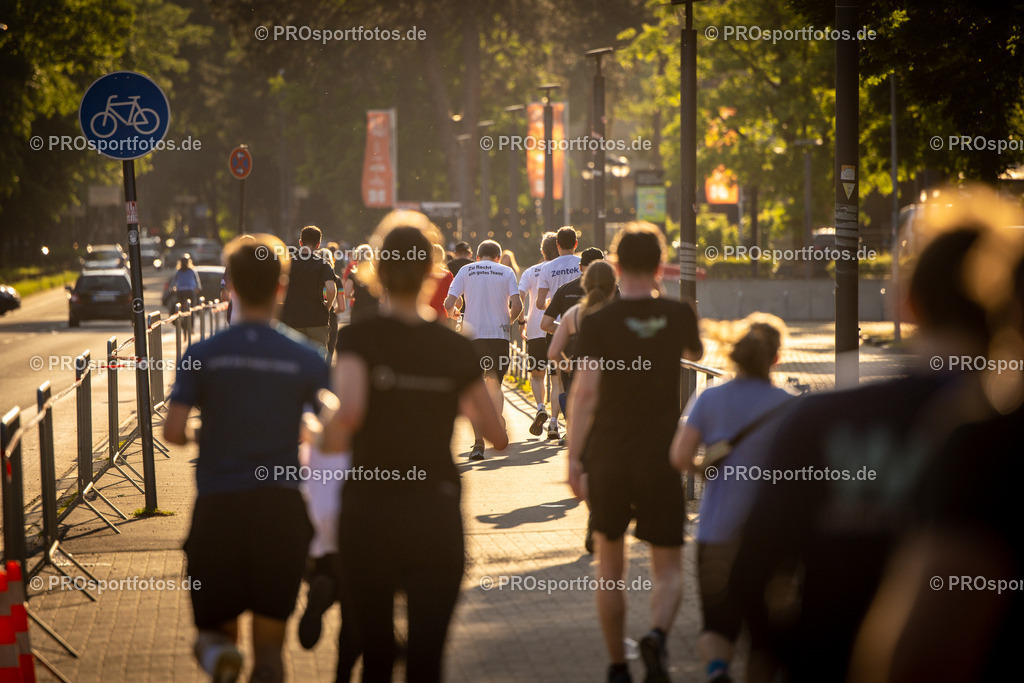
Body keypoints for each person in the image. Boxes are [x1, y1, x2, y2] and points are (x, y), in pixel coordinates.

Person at [729, 186, 1022, 683]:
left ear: (908, 302)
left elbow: (750, 571)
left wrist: (785, 654)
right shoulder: (1002, 434)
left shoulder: (818, 420)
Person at [323, 210, 507, 682]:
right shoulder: (456, 345)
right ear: (433, 272)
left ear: (377, 270)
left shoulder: (357, 338)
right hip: (434, 510)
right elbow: (496, 434)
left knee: (378, 655)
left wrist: (314, 434)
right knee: (428, 660)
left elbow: (347, 417)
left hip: (369, 510)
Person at [163, 234, 327, 683]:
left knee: (214, 637)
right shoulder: (307, 357)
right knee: (272, 656)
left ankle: (221, 660)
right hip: (281, 512)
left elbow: (173, 432)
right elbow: (330, 431)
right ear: (282, 285)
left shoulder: (201, 355)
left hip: (220, 510)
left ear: (230, 284)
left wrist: (213, 431)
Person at [568, 222, 703, 683]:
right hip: (661, 456)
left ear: (617, 263)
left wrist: (573, 458)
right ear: (661, 261)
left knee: (610, 566)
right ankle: (658, 636)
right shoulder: (679, 313)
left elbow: (584, 394)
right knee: (667, 565)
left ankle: (617, 666)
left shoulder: (598, 322)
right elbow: (695, 352)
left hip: (607, 454)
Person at [668, 321, 794, 683]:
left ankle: (717, 671)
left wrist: (703, 471)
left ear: (735, 355)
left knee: (716, 626)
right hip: (772, 537)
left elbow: (679, 456)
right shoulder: (789, 406)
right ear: (776, 358)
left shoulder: (711, 398)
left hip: (716, 533)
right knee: (764, 636)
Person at [444, 239, 523, 461]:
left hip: (472, 337)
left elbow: (448, 303)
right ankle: (498, 427)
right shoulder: (506, 271)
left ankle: (478, 443)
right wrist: (508, 323)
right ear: (498, 257)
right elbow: (517, 306)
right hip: (499, 335)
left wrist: (454, 314)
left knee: (475, 388)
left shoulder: (466, 270)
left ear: (477, 257)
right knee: (495, 384)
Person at [542, 247, 611, 416]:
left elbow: (545, 324)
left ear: (580, 267)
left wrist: (567, 332)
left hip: (571, 356)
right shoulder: (613, 291)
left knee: (572, 398)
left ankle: (570, 432)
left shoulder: (565, 290)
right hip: (605, 359)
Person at [535, 226, 582, 440]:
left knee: (558, 382)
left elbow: (539, 303)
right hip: (582, 330)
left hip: (556, 330)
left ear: (557, 244)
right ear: (575, 244)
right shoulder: (583, 264)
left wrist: (555, 300)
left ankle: (554, 423)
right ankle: (571, 427)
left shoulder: (547, 268)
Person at [517, 232, 558, 436]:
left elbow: (519, 297)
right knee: (557, 378)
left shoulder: (530, 272)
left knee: (537, 375)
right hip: (559, 328)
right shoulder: (564, 269)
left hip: (535, 329)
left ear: (542, 251)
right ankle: (554, 422)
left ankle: (541, 406)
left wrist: (521, 321)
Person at [279, 225, 338, 357]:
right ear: (318, 245)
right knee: (317, 361)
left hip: (292, 320)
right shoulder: (323, 264)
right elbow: (330, 288)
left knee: (293, 360)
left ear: (300, 243)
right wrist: (327, 307)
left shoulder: (288, 264)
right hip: (317, 320)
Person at [343, 244, 380, 326]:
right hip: (373, 312)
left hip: (358, 310)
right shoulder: (376, 275)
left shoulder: (352, 275)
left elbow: (346, 293)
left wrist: (356, 295)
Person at [171, 254, 202, 332]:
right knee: (191, 309)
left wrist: (172, 288)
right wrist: (198, 288)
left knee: (179, 308)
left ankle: (181, 322)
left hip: (180, 292)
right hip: (190, 291)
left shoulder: (178, 271)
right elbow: (197, 281)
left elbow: (173, 282)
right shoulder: (192, 270)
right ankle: (191, 327)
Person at [427, 243, 454, 325]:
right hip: (442, 317)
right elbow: (454, 297)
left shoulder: (422, 273)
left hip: (426, 315)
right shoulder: (447, 274)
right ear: (442, 257)